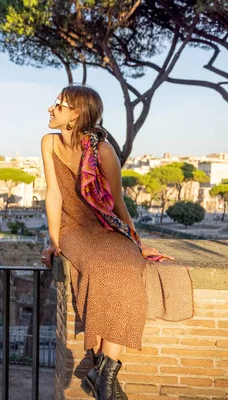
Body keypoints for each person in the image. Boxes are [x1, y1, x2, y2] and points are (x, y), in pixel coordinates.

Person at [39, 85, 193, 399]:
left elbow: (119, 204)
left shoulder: (104, 152)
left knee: (129, 263)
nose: (50, 109)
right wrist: (54, 240)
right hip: (73, 230)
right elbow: (53, 194)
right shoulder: (49, 143)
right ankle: (102, 375)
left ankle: (103, 373)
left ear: (75, 114)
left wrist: (134, 240)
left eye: (59, 104)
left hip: (106, 227)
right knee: (99, 268)